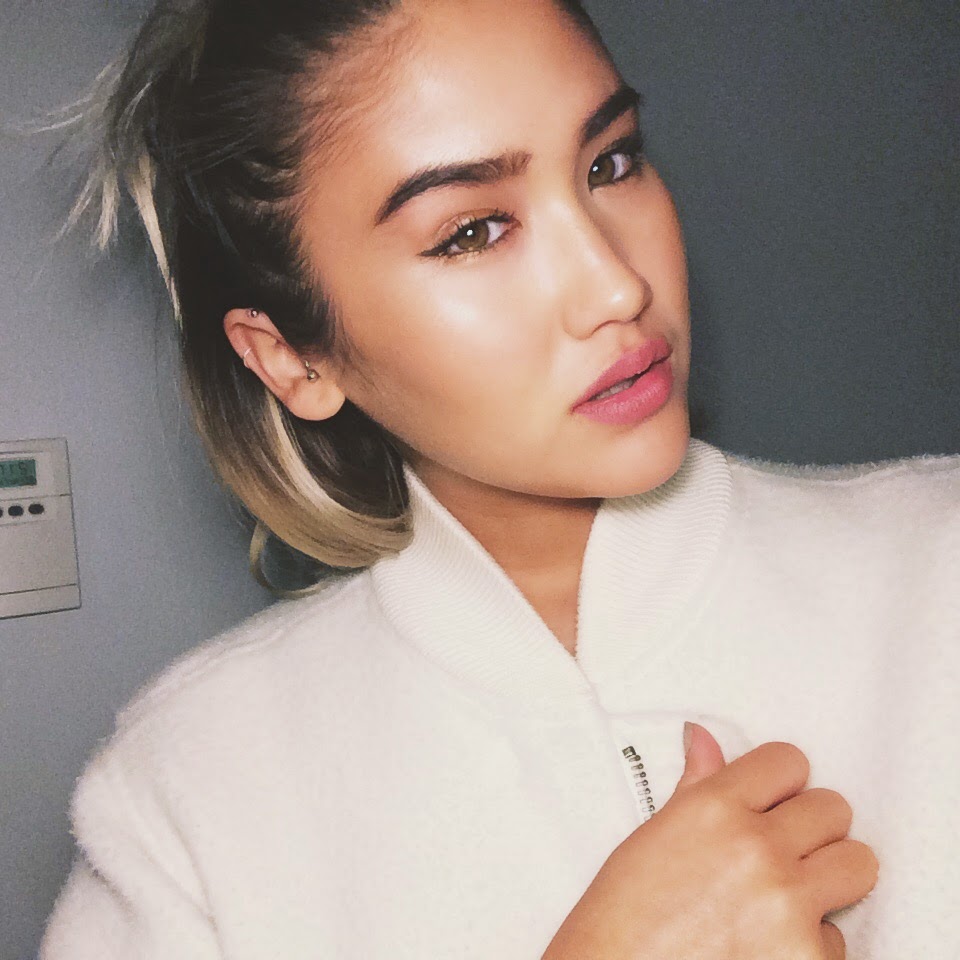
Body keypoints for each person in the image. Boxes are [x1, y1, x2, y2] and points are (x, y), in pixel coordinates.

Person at [39, 0, 959, 957]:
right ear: (293, 359)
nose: (618, 286)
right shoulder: (181, 808)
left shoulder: (941, 569)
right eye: (473, 231)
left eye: (610, 163)